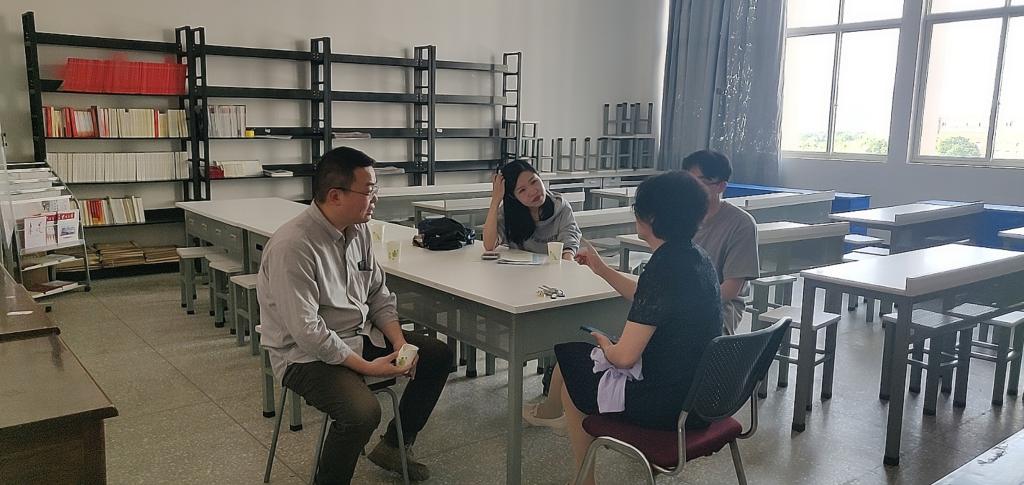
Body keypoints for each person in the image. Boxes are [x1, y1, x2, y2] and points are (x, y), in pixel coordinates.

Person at [256, 146, 452, 484]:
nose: (376, 198)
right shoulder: (293, 246)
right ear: (335, 195)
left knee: (437, 355)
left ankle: (394, 446)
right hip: (304, 356)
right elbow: (308, 332)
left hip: (359, 336)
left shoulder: (358, 229)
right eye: (369, 190)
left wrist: (399, 343)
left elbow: (378, 294)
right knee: (362, 412)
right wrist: (368, 367)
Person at [554, 171, 723, 485]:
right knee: (574, 364)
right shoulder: (695, 257)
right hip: (705, 397)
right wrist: (602, 269)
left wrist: (606, 344)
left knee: (571, 374)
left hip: (669, 404)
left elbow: (624, 358)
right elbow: (649, 296)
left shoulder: (664, 267)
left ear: (652, 218)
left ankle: (584, 479)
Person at [682, 150, 760, 335]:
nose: (691, 189)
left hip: (719, 307)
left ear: (721, 186)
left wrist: (683, 308)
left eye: (701, 182)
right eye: (687, 181)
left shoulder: (741, 224)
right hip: (679, 301)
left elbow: (731, 289)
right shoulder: (680, 216)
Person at [483, 159, 581, 259]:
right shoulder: (509, 212)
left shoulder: (560, 206)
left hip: (553, 266)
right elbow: (489, 245)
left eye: (534, 181)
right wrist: (496, 200)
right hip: (520, 268)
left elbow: (569, 244)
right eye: (522, 190)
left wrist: (568, 259)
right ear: (514, 197)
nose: (533, 191)